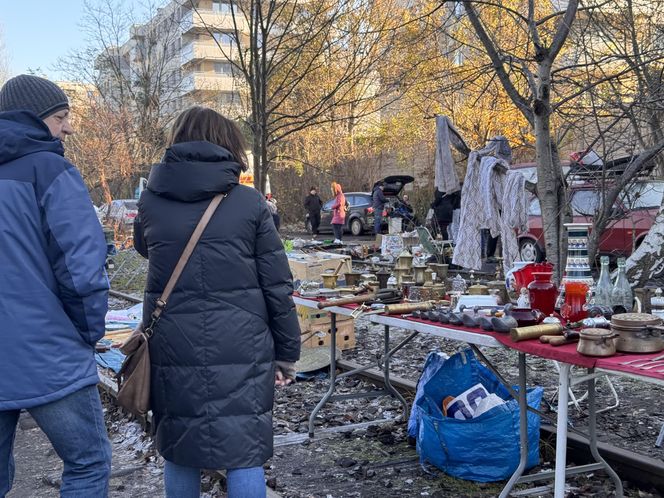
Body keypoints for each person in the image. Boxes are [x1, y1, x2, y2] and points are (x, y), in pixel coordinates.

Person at [133, 106, 301, 498]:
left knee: (179, 448)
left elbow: (146, 248)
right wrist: (287, 353)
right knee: (244, 452)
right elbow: (277, 286)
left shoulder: (151, 202)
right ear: (228, 145)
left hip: (173, 343)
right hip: (242, 343)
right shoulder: (250, 203)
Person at [0, 75, 112, 497]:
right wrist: (89, 333)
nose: (68, 127)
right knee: (87, 465)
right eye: (62, 117)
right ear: (34, 117)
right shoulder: (50, 169)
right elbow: (81, 266)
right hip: (48, 351)